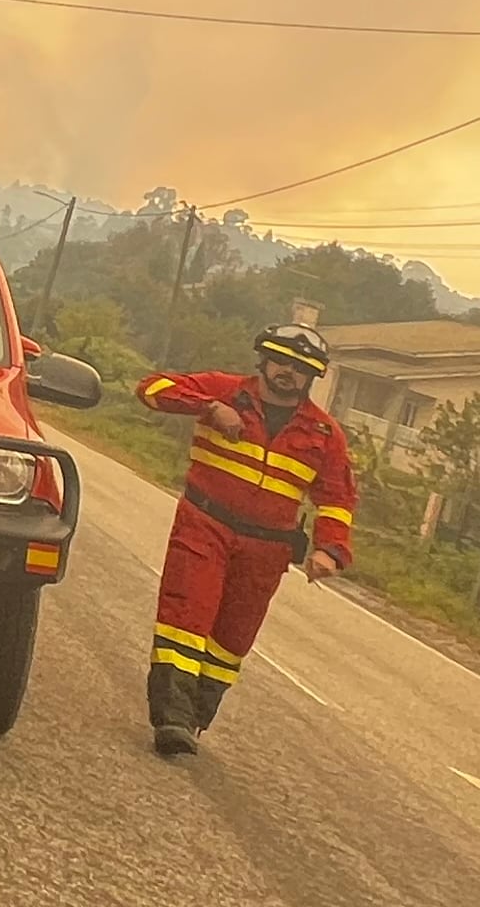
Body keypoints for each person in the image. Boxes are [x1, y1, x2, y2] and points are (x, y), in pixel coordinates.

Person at [134, 323, 358, 755]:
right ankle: (172, 718)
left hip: (268, 549)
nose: (287, 372)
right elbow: (150, 388)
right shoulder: (225, 390)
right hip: (204, 526)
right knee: (187, 615)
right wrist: (209, 407)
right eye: (281, 361)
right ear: (264, 359)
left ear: (311, 377)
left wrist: (330, 550)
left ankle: (196, 713)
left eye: (299, 367)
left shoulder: (326, 435)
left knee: (231, 639)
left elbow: (338, 497)